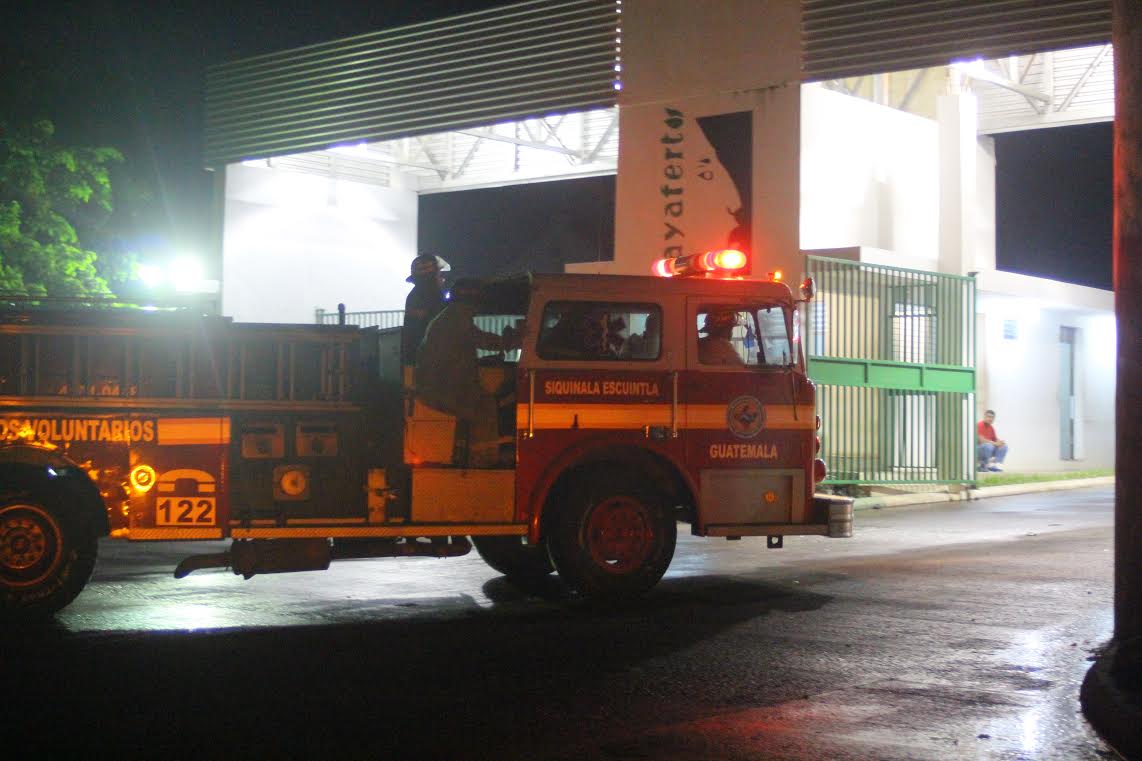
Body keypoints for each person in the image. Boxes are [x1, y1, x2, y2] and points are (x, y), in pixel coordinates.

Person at [415, 278, 520, 466]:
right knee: (485, 407)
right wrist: (510, 341)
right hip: (445, 388)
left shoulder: (450, 317)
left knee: (479, 400)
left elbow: (467, 345)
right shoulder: (458, 317)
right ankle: (482, 459)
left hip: (437, 385)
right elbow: (481, 340)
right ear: (472, 300)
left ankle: (472, 454)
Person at [401, 254, 450, 365]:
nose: (442, 277)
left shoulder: (417, 295)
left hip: (421, 360)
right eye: (439, 273)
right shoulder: (430, 296)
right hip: (430, 361)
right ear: (430, 276)